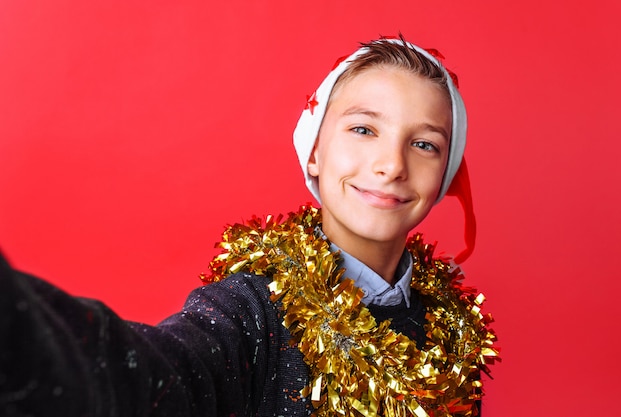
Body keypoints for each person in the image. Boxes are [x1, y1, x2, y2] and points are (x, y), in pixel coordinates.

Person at [0, 36, 498, 417]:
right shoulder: (250, 309)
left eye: (425, 144)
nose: (392, 164)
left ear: (445, 175)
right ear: (316, 152)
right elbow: (155, 373)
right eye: (364, 129)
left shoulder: (449, 332)